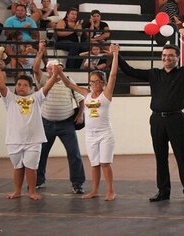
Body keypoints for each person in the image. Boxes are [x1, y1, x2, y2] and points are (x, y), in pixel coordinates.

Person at [118, 35, 184, 204]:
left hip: (176, 120)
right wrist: (117, 55)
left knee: (182, 156)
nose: (167, 58)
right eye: (164, 55)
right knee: (160, 156)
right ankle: (163, 191)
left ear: (177, 58)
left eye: (171, 55)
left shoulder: (183, 73)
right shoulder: (154, 74)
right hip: (157, 120)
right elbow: (130, 71)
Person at [61, 44, 119, 201]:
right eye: (92, 81)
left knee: (105, 163)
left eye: (97, 81)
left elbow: (113, 75)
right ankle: (94, 190)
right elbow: (69, 85)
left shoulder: (106, 95)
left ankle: (110, 191)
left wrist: (115, 55)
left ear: (102, 82)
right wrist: (59, 73)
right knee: (94, 164)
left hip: (105, 134)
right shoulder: (86, 93)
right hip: (90, 134)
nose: (94, 84)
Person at [0, 59, 58, 200]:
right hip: (14, 140)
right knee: (18, 167)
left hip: (34, 140)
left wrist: (54, 75)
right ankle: (17, 191)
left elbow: (47, 87)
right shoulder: (10, 99)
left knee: (31, 167)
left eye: (25, 85)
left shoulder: (36, 98)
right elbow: (1, 86)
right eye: (19, 84)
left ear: (30, 88)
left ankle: (32, 191)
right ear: (15, 87)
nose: (21, 87)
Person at [33, 40, 86, 194]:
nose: (53, 71)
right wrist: (41, 51)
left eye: (55, 68)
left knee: (74, 154)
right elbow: (36, 68)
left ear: (60, 69)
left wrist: (81, 114)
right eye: (50, 68)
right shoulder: (43, 80)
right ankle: (38, 180)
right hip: (46, 123)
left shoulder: (68, 80)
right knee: (41, 153)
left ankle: (77, 183)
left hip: (66, 123)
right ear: (47, 70)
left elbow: (80, 98)